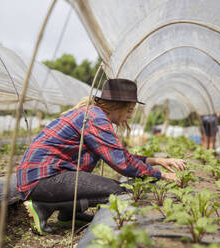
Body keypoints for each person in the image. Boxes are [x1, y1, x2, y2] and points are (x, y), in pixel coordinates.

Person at [16, 78, 186, 235]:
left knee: (94, 183)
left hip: (42, 177)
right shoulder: (96, 119)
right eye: (130, 109)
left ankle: (68, 215)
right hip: (42, 179)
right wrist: (160, 175)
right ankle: (42, 207)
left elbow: (120, 154)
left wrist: (156, 161)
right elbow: (122, 163)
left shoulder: (93, 114)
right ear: (117, 106)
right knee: (118, 192)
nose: (130, 115)